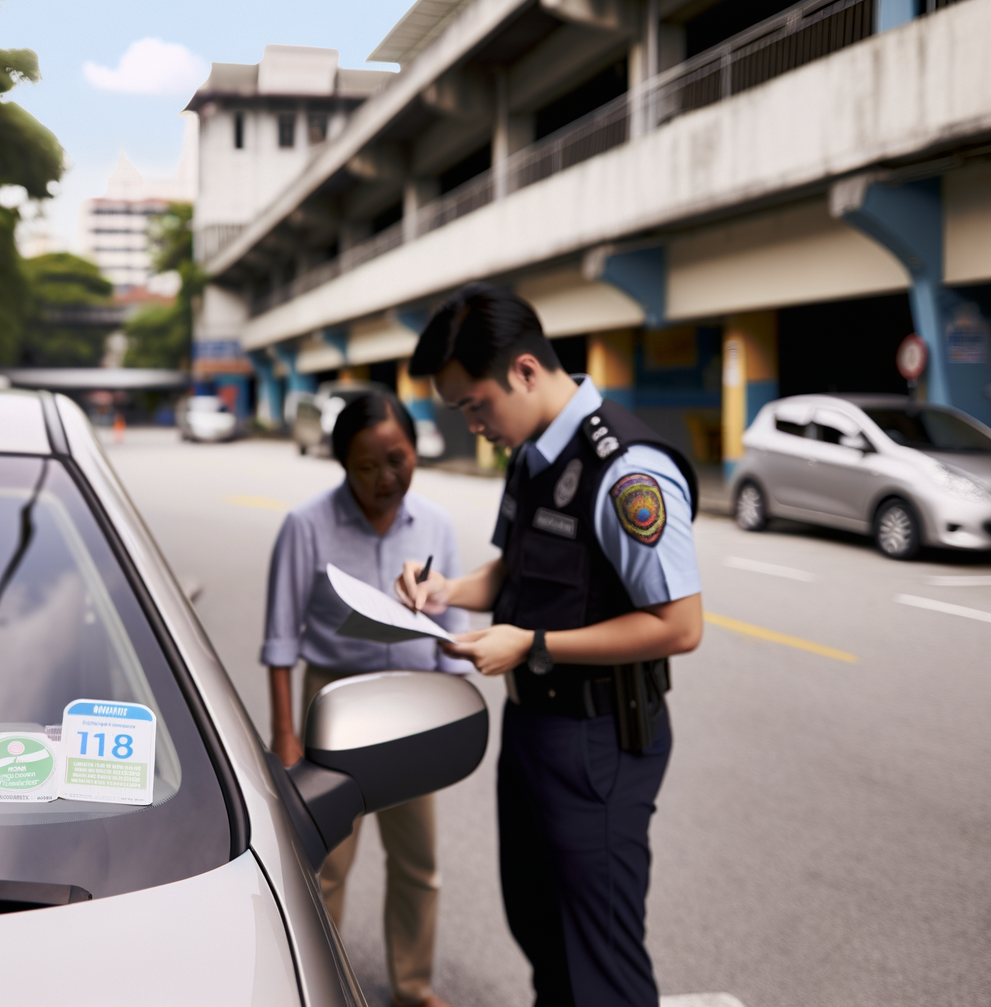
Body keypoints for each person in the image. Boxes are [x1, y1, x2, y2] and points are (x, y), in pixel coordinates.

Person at [395, 284, 703, 1007]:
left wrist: (532, 643)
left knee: (600, 959)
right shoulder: (531, 454)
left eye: (475, 405)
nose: (474, 425)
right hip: (533, 725)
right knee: (538, 925)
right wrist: (447, 591)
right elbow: (517, 570)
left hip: (600, 736)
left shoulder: (626, 470)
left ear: (526, 371)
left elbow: (679, 626)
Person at [262, 390, 465, 1007]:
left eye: (397, 460)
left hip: (414, 707)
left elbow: (452, 630)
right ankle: (319, 988)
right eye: (366, 466)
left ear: (416, 450)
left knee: (418, 861)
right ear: (342, 463)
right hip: (336, 709)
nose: (384, 478)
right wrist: (286, 734)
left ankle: (413, 988)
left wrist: (454, 710)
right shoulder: (305, 525)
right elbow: (280, 639)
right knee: (326, 864)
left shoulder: (437, 524)